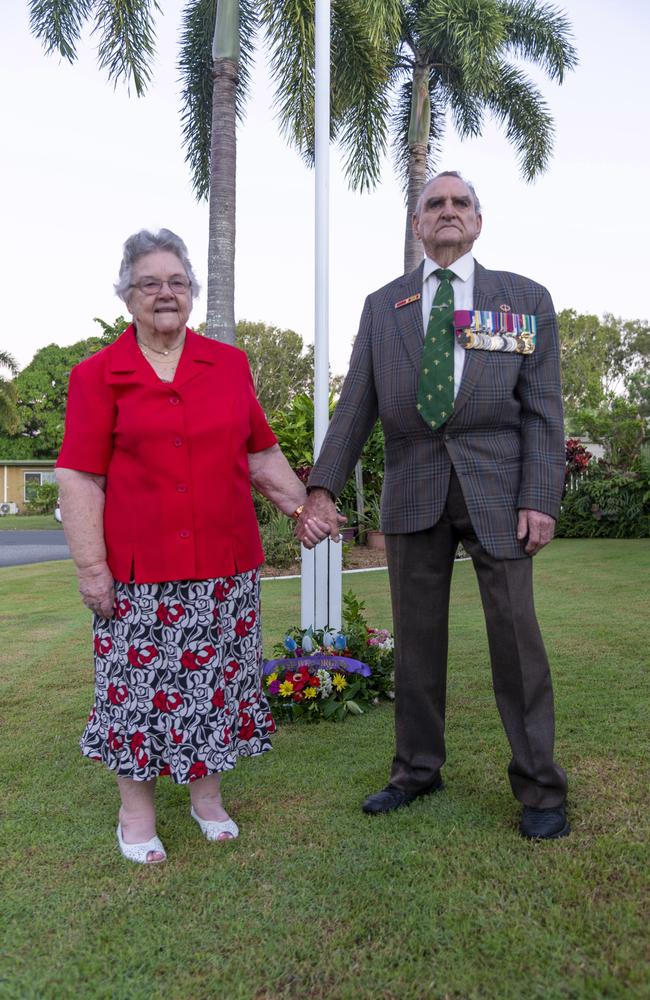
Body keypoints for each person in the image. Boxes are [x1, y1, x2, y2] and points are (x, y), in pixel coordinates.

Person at [297, 172, 570, 840]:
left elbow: (544, 410)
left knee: (517, 642)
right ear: (417, 223)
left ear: (479, 219)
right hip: (412, 490)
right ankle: (416, 770)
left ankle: (539, 788)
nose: (447, 212)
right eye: (434, 204)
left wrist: (540, 497)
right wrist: (321, 486)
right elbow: (356, 402)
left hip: (500, 493)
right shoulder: (383, 305)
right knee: (416, 645)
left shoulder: (523, 299)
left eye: (460, 203)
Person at [57, 229, 330, 863]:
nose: (165, 294)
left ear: (193, 293)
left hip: (223, 564)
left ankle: (207, 799)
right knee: (134, 692)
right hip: (137, 572)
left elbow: (260, 451)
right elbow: (79, 476)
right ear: (127, 295)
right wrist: (91, 567)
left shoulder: (227, 365)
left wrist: (302, 507)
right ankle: (136, 812)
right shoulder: (98, 376)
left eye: (177, 282)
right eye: (149, 283)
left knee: (217, 685)